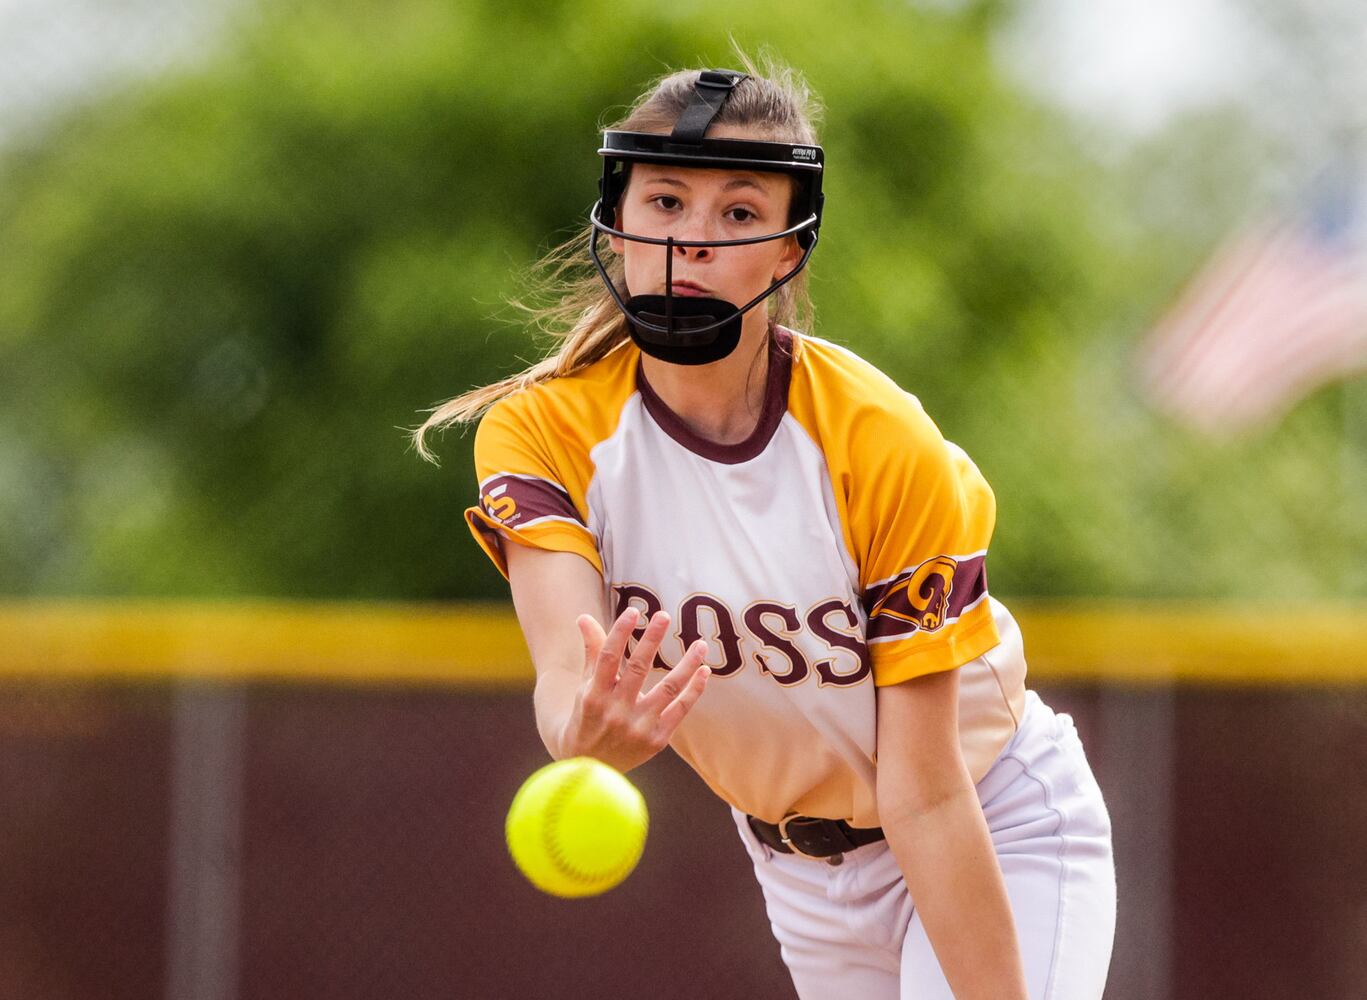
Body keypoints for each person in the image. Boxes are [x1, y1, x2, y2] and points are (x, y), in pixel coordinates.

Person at [414, 58, 1116, 1000]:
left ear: (789, 250)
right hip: (796, 871)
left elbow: (925, 788)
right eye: (663, 202)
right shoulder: (542, 431)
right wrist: (581, 735)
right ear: (614, 229)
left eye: (738, 214)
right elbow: (566, 682)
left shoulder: (874, 437)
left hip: (990, 820)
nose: (691, 241)